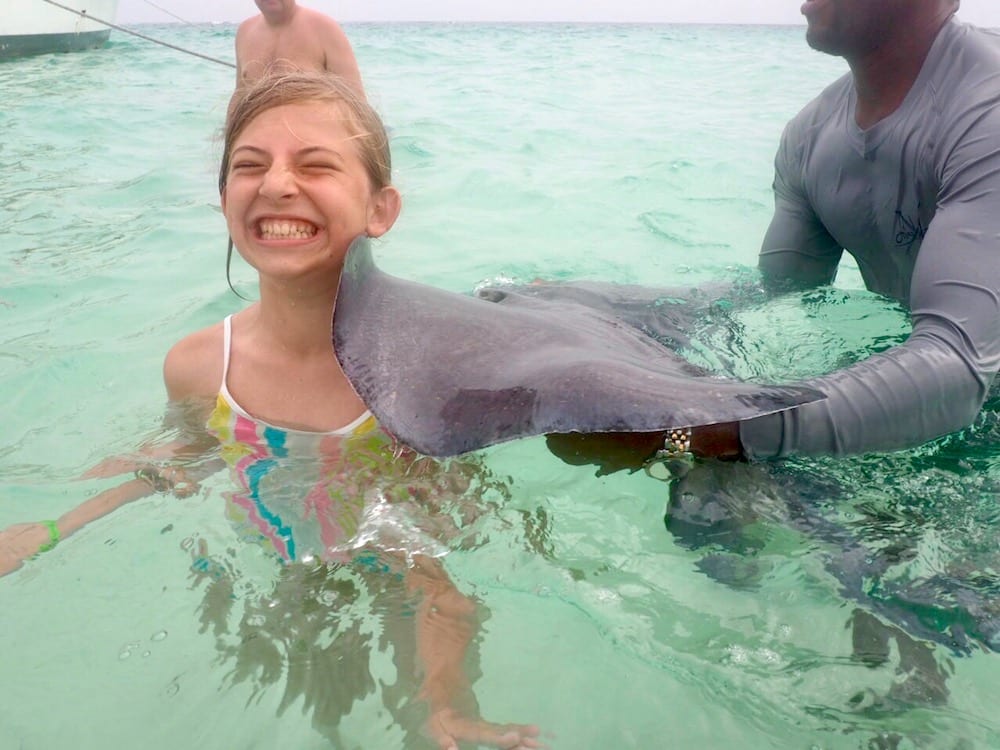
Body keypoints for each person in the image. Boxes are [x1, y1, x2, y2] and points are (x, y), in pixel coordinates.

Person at [0, 71, 540, 750]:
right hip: (262, 556)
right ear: (224, 198)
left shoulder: (429, 370)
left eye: (315, 165)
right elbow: (176, 461)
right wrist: (50, 527)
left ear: (382, 208)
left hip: (400, 569)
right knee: (295, 710)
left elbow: (440, 567)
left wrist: (446, 700)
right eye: (248, 166)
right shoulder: (200, 364)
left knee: (421, 717)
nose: (276, 184)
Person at [637, 0, 1000, 465]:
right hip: (926, 394)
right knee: (705, 510)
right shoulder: (811, 134)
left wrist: (686, 431)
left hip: (963, 397)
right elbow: (778, 290)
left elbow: (958, 367)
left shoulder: (985, 111)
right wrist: (590, 311)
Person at [234, 1, 365, 97]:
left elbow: (356, 101)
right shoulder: (245, 32)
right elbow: (239, 97)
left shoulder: (325, 28)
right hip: (259, 132)